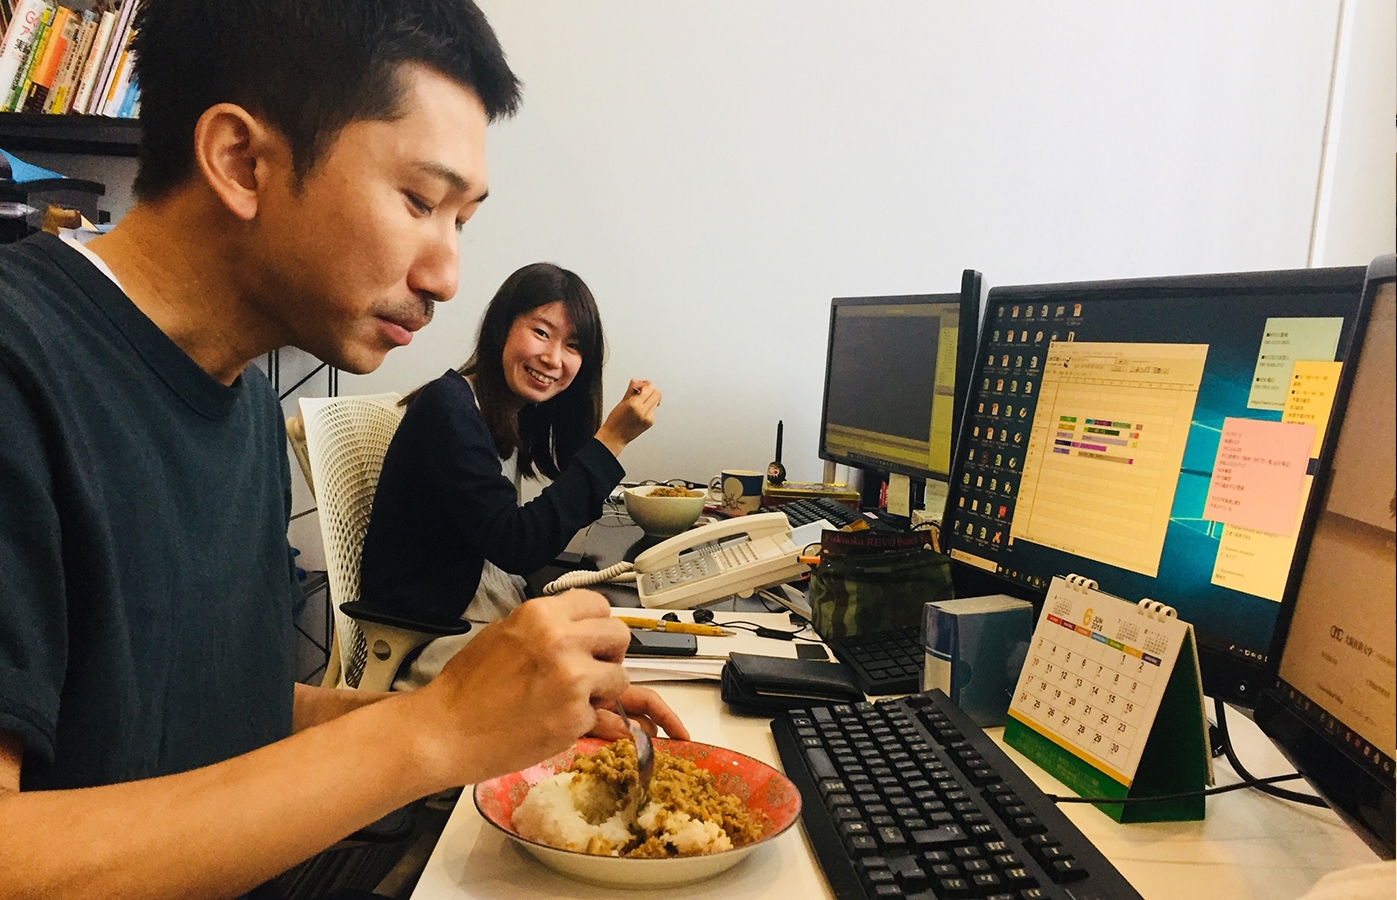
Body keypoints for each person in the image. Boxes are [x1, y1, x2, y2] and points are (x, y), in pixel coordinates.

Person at [0, 2, 685, 898]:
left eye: (461, 221)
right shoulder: (21, 367)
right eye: (419, 202)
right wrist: (432, 731)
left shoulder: (243, 400)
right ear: (242, 162)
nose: (446, 277)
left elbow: (219, 719)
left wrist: (487, 716)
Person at [359, 263, 661, 688]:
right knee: (610, 675)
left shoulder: (506, 411)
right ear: (502, 326)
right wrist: (612, 439)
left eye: (573, 346)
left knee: (621, 648)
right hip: (430, 639)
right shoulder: (449, 409)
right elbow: (516, 545)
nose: (553, 358)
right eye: (541, 332)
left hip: (480, 616)